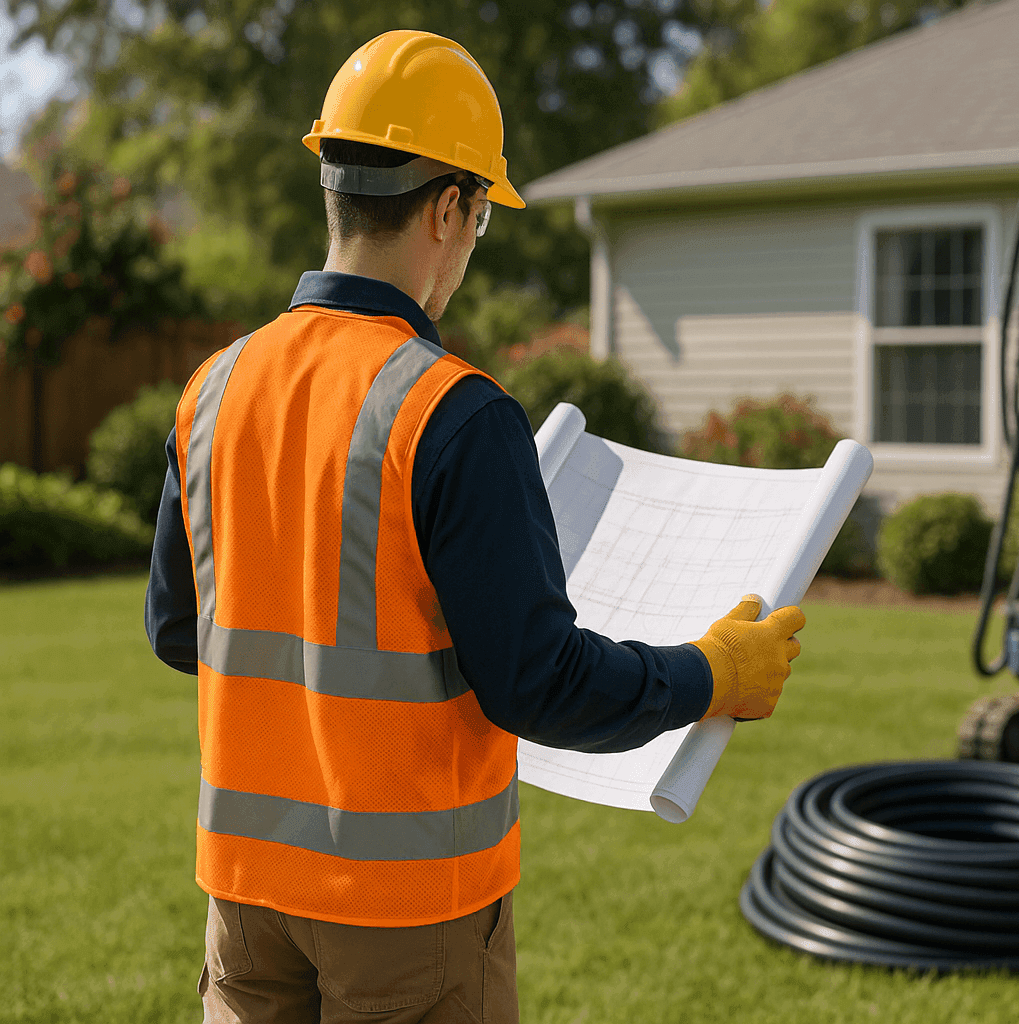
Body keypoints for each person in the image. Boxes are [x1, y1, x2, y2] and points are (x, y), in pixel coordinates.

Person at [143, 29, 805, 1024]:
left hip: (243, 896)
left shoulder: (215, 386)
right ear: (449, 206)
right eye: (481, 217)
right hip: (410, 912)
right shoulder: (454, 411)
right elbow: (538, 680)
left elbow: (178, 629)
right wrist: (717, 671)